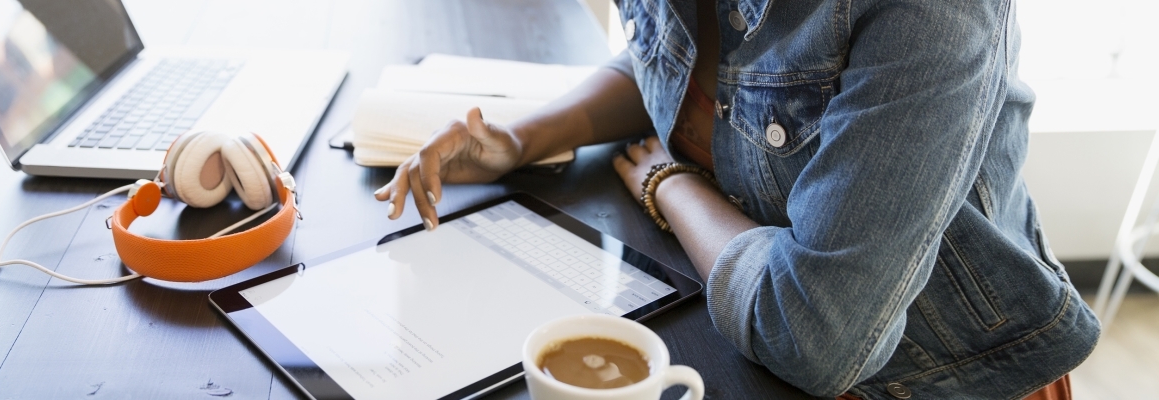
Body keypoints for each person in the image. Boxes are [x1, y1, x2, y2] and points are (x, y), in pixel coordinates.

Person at [374, 0, 1099, 398]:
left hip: (936, 372)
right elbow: (682, 64)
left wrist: (671, 186)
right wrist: (520, 137)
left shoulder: (935, 13)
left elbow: (816, 334)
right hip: (744, 318)